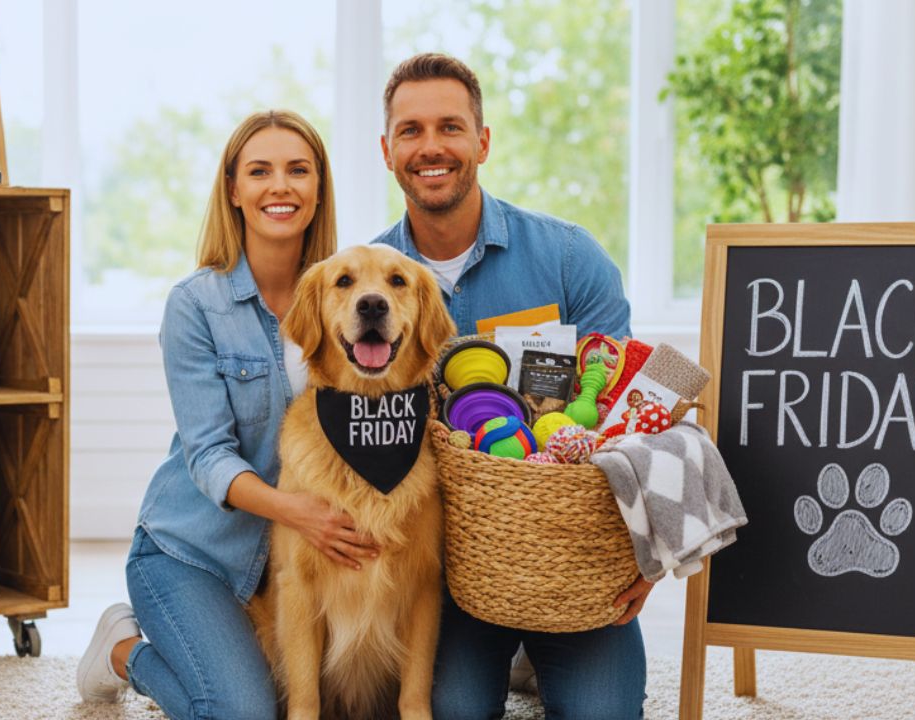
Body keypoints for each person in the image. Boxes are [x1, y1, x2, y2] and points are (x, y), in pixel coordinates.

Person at [373, 53, 650, 719]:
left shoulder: (568, 257)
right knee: (448, 711)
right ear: (387, 150)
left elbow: (636, 421)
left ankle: (539, 657)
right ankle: (512, 660)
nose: (431, 147)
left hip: (574, 565)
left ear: (483, 141)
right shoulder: (368, 286)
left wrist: (646, 549)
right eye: (411, 131)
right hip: (447, 574)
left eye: (451, 127)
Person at [76, 110, 373, 720]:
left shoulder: (349, 293)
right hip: (194, 553)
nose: (280, 187)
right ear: (233, 190)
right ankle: (122, 649)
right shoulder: (197, 305)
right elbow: (208, 456)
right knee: (242, 712)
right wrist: (299, 512)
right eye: (259, 171)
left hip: (295, 557)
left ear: (319, 188)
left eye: (298, 170)